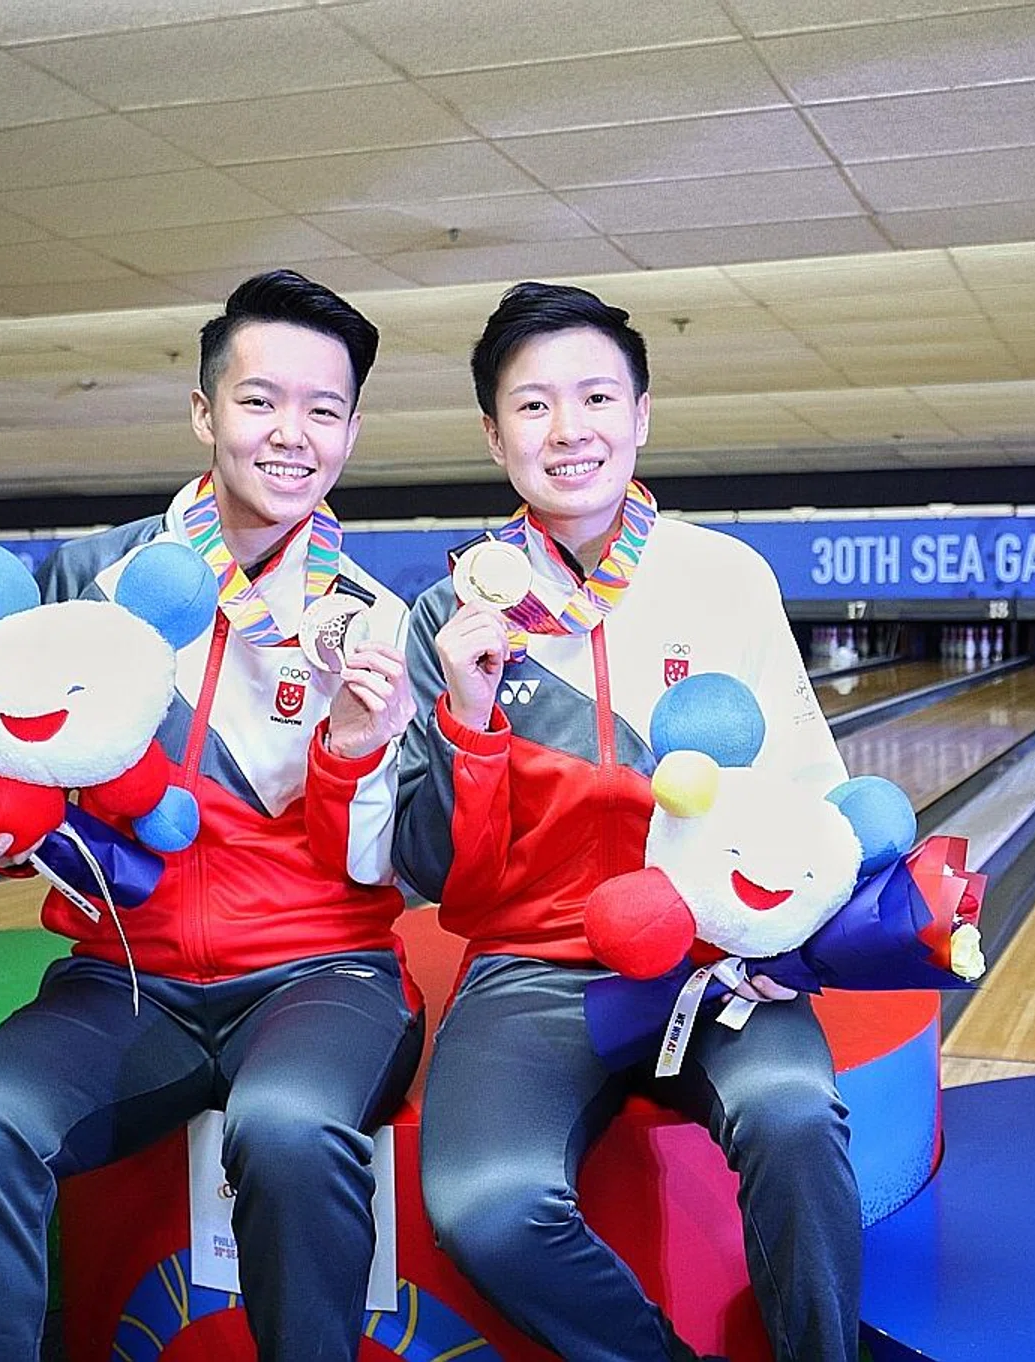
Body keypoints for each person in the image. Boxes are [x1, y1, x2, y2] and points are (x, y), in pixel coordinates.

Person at [0, 270, 420, 1362]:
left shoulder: (372, 619)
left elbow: (380, 863)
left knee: (289, 1129)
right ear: (205, 412)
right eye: (260, 401)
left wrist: (357, 744)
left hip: (321, 977)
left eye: (323, 412)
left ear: (351, 433)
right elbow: (33, 785)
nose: (292, 435)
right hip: (125, 977)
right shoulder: (93, 578)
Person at [396, 282, 860, 1362]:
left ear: (641, 414)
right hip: (536, 969)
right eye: (533, 405)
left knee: (792, 1116)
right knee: (484, 1204)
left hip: (714, 959)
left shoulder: (724, 578)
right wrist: (467, 714)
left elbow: (806, 791)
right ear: (493, 432)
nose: (569, 431)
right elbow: (431, 873)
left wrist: (793, 938)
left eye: (596, 396)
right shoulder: (451, 615)